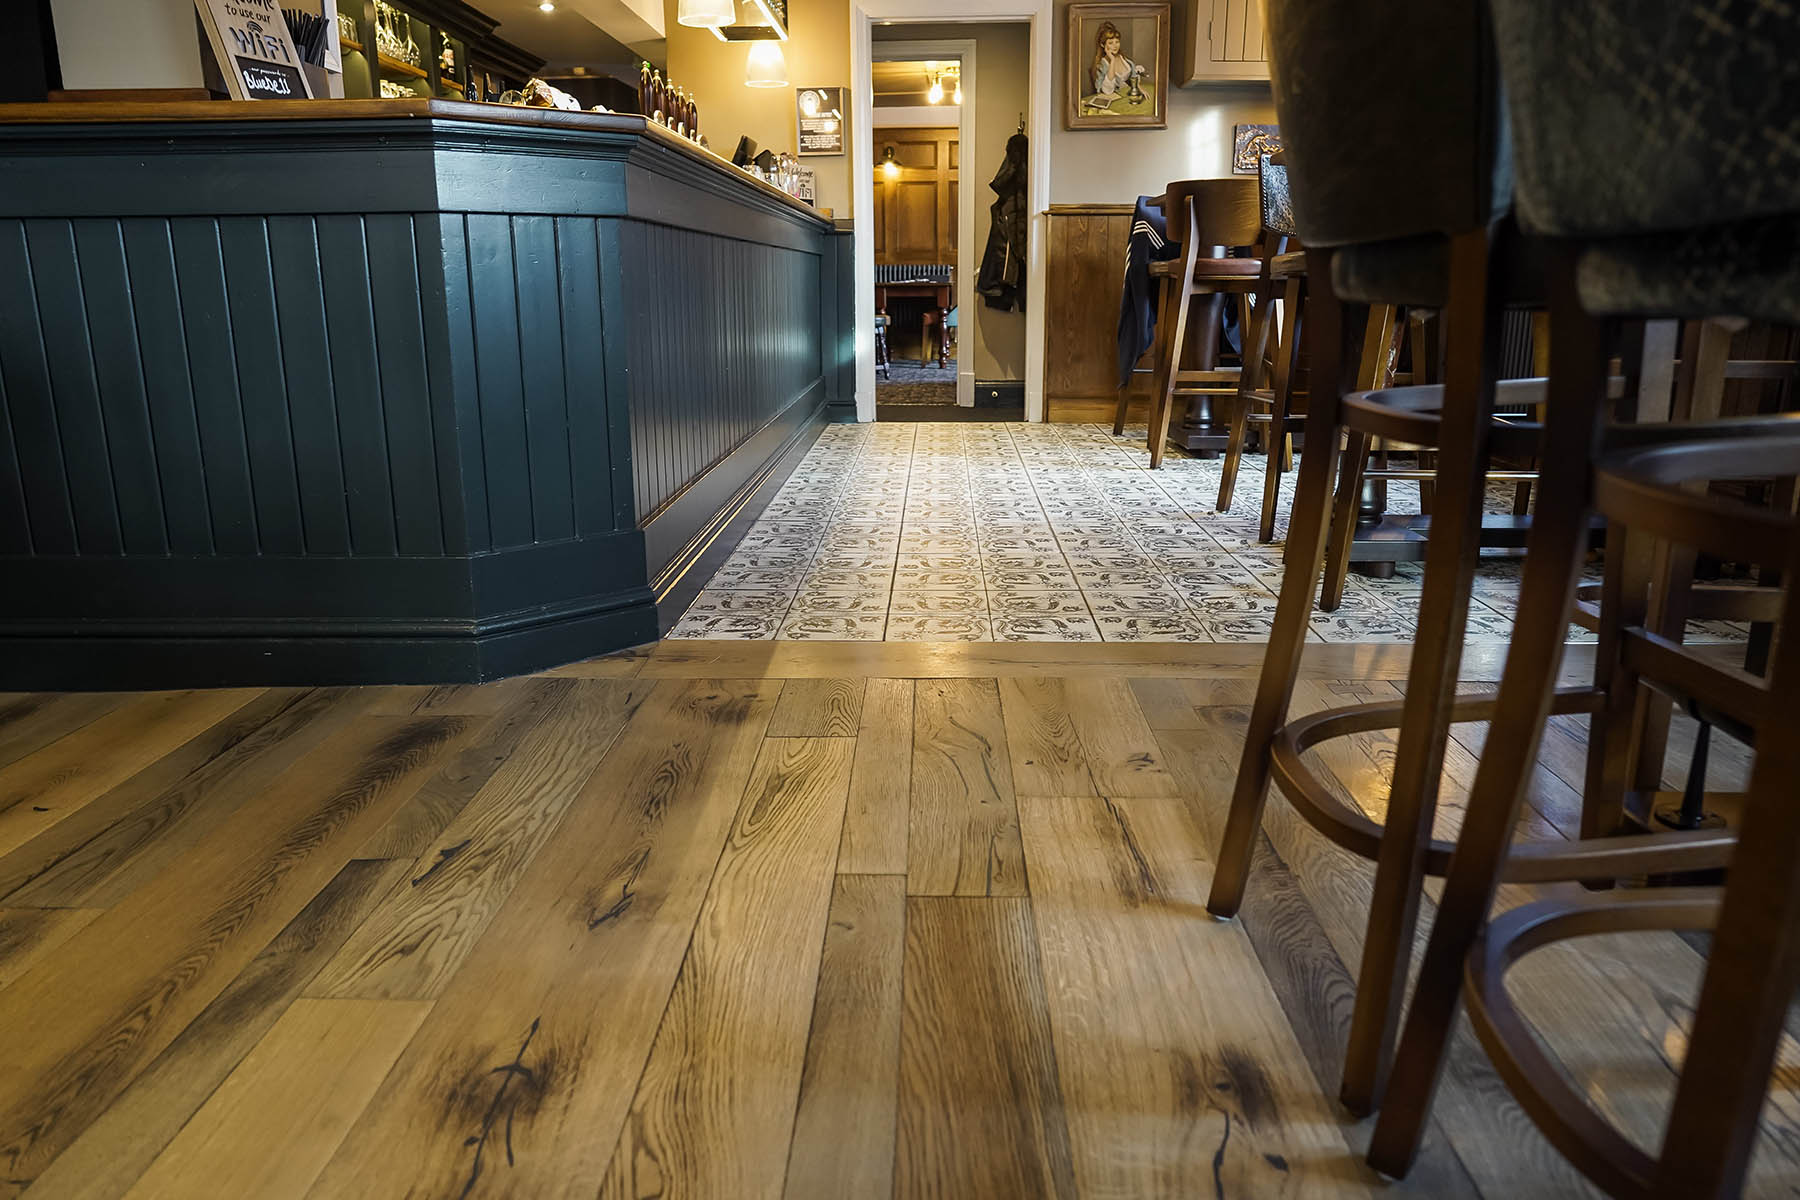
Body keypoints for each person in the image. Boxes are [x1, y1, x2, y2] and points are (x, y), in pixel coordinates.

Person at [1089, 22, 1142, 100]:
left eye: (1117, 42)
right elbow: (1108, 91)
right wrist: (1112, 60)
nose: (1115, 46)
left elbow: (1133, 76)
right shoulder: (1102, 65)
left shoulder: (1122, 58)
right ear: (1103, 45)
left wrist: (1140, 88)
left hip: (1127, 95)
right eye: (1110, 43)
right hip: (1114, 99)